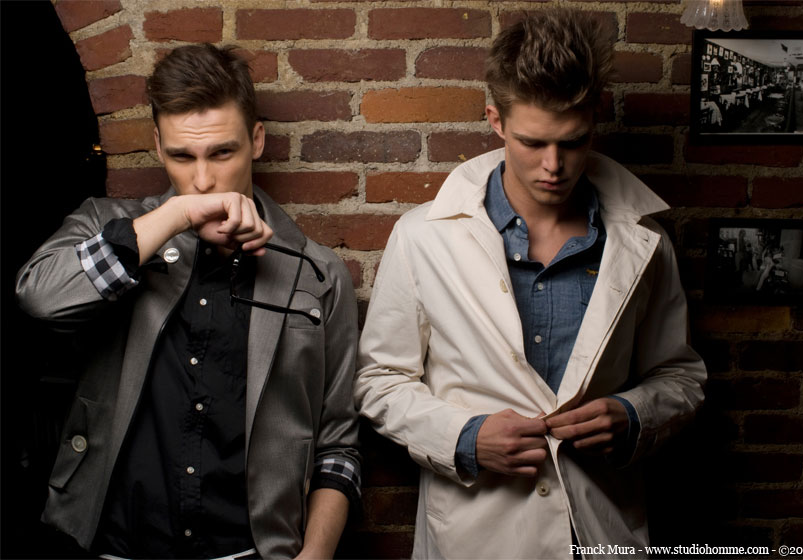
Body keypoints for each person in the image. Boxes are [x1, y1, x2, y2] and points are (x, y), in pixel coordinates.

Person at [355, 9, 706, 559]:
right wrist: (463, 437)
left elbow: (679, 376)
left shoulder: (645, 242)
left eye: (573, 142)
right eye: (532, 142)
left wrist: (635, 415)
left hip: (599, 529)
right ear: (495, 120)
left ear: (597, 115)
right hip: (475, 535)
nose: (554, 165)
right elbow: (380, 380)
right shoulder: (423, 236)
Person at [16, 44, 361, 559]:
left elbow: (337, 445)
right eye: (182, 156)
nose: (202, 180)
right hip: (114, 546)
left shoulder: (317, 275)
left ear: (256, 141)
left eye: (222, 153)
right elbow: (41, 297)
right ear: (158, 146)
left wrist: (315, 554)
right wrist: (179, 215)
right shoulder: (105, 226)